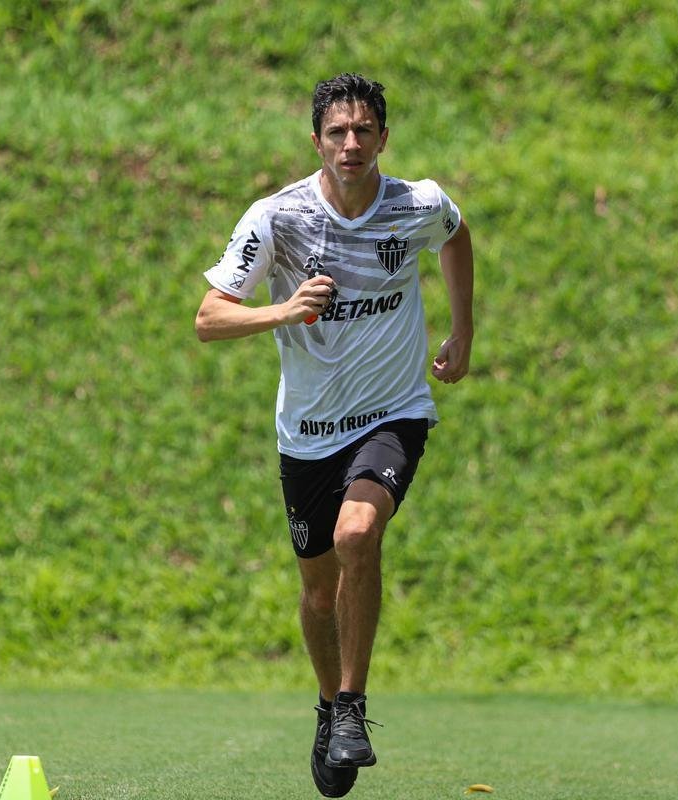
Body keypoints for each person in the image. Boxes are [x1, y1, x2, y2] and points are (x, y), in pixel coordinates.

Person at [194, 73, 475, 797]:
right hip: (307, 434)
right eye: (336, 133)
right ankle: (327, 708)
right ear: (315, 141)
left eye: (363, 131)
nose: (350, 144)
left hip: (392, 413)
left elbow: (456, 235)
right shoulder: (276, 218)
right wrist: (284, 312)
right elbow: (209, 317)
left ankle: (352, 704)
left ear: (384, 136)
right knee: (318, 593)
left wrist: (461, 332)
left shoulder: (416, 204)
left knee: (358, 535)